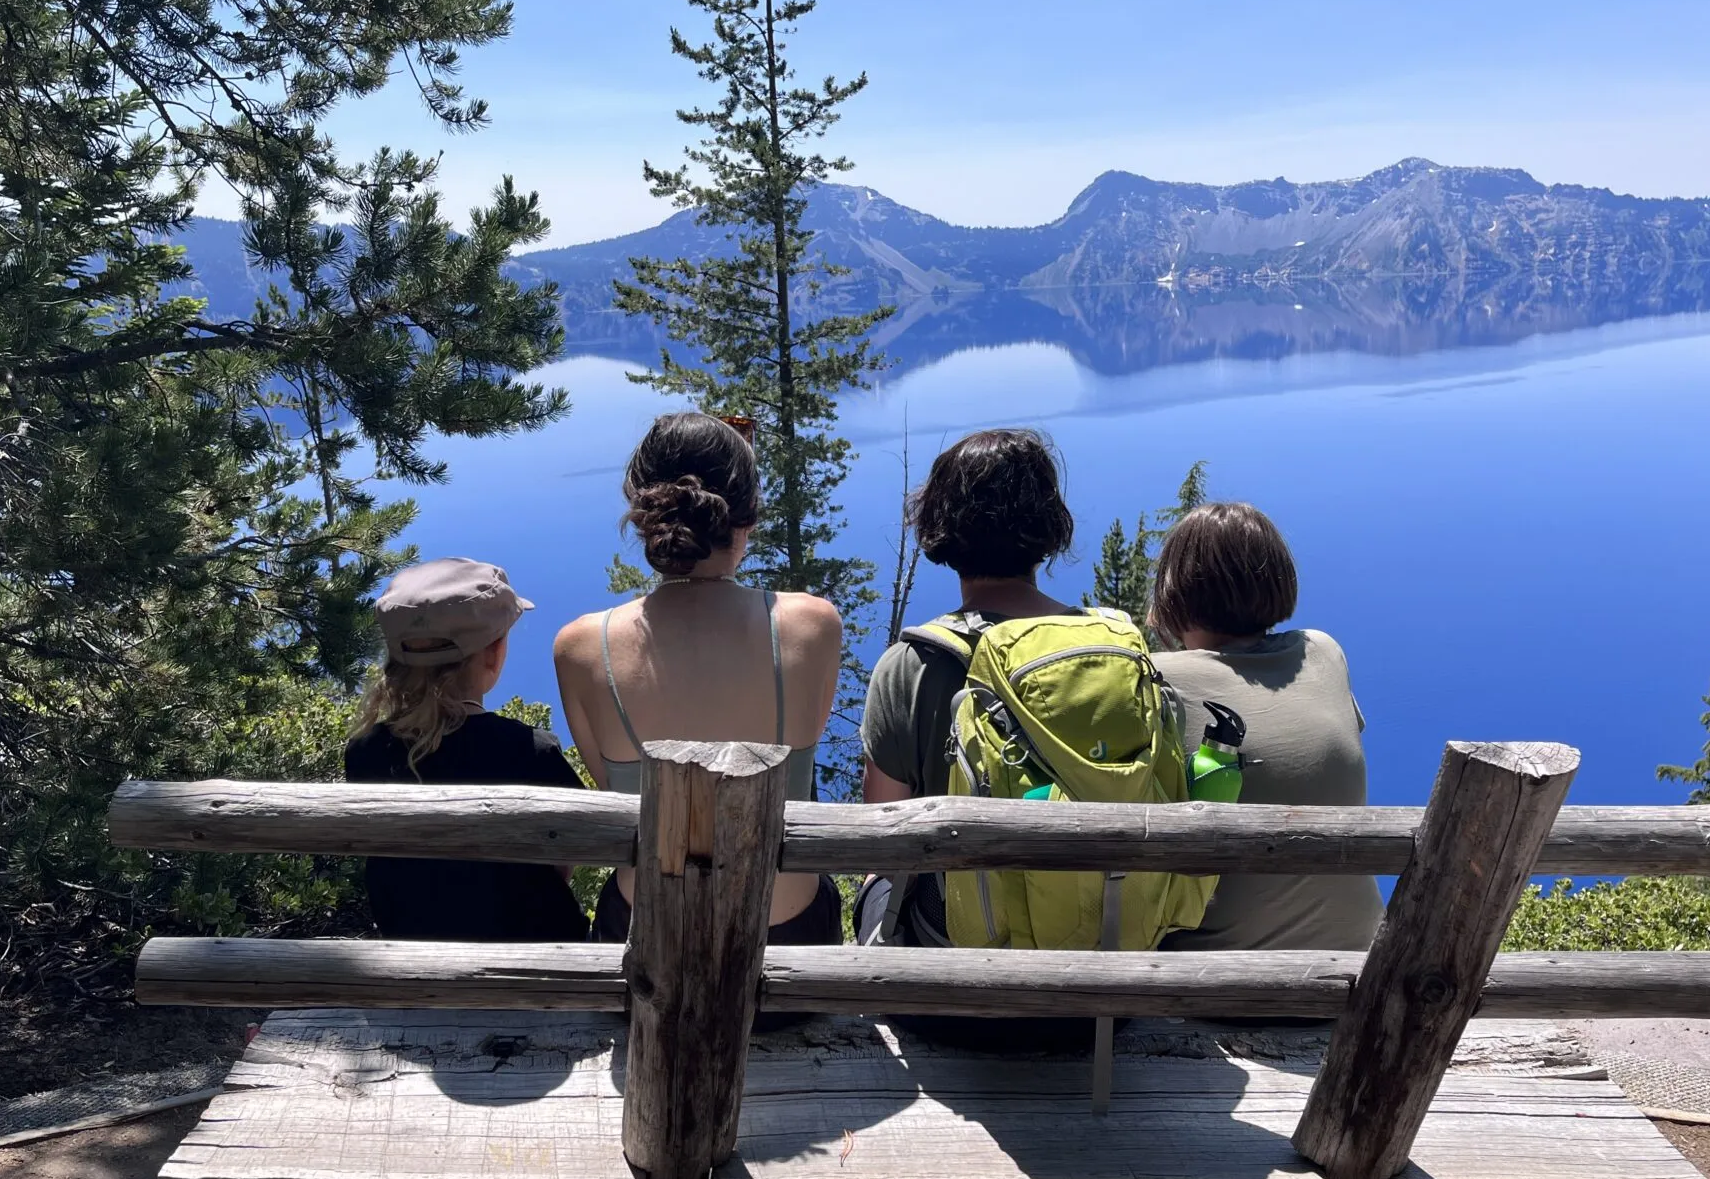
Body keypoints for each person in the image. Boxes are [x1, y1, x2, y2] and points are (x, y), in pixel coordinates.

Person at [554, 411, 845, 944]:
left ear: (644, 512)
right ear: (749, 515)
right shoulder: (811, 625)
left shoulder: (581, 646)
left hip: (645, 941)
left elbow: (613, 788)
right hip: (786, 940)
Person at [854, 431, 1094, 1052]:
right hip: (1098, 994)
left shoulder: (911, 665)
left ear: (941, 527)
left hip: (949, 999)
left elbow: (882, 833)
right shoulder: (1105, 654)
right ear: (1048, 523)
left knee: (875, 886)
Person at [1148, 502, 1383, 951]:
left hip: (1214, 985)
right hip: (1356, 967)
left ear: (1174, 590)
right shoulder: (1323, 653)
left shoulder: (1153, 679)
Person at [345, 556, 590, 942]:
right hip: (537, 962)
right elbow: (564, 860)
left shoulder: (364, 752)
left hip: (415, 965)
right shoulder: (531, 750)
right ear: (493, 654)